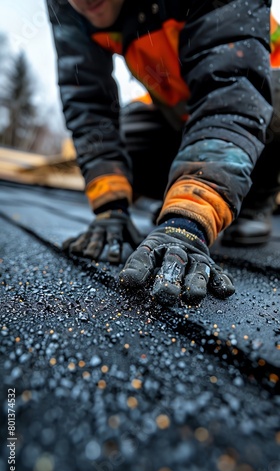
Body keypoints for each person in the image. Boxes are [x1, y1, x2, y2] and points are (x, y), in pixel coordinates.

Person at [46, 0, 273, 306]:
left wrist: (189, 220)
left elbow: (232, 96)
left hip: (260, 101)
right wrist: (111, 205)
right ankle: (198, 187)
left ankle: (256, 198)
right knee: (128, 148)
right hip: (185, 111)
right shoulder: (69, 6)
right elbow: (88, 104)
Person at [221, 12, 280, 246]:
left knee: (273, 92)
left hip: (246, 102)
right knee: (138, 119)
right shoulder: (114, 17)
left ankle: (255, 201)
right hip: (187, 111)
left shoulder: (241, 10)